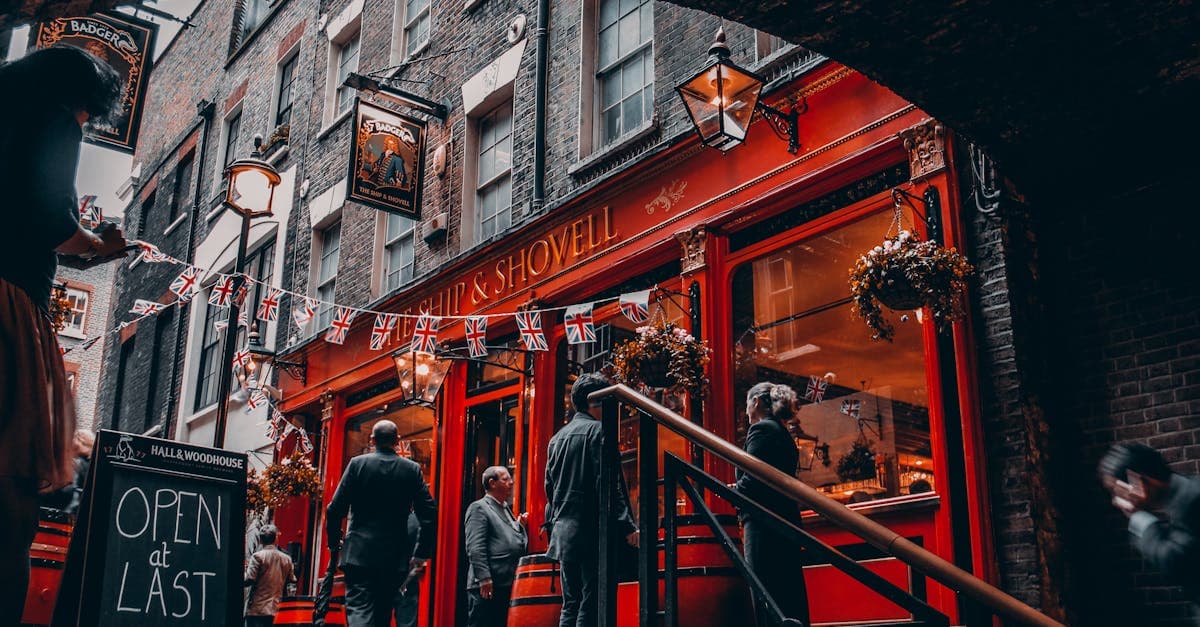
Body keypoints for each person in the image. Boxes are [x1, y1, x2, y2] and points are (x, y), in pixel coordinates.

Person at [0, 46, 127, 624]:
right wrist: (101, 245)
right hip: (8, 304)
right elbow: (51, 220)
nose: (86, 124)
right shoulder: (53, 116)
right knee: (10, 495)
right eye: (89, 116)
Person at [544, 373, 638, 627]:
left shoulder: (556, 439)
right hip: (592, 531)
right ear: (593, 401)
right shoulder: (598, 432)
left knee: (570, 603)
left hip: (564, 531)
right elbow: (608, 483)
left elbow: (549, 488)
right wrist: (627, 525)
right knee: (591, 602)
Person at [326, 420, 438, 627]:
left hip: (359, 554)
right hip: (396, 556)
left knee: (360, 610)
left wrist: (334, 543)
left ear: (372, 440)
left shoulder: (357, 464)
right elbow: (428, 513)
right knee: (383, 612)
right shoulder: (411, 469)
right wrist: (421, 551)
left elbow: (334, 509)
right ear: (397, 440)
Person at [735, 382, 810, 626]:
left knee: (766, 593)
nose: (746, 410)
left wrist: (732, 492)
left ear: (756, 402)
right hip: (783, 523)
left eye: (747, 403)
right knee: (787, 595)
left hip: (763, 525)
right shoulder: (781, 431)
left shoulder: (761, 429)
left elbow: (753, 477)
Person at [1100, 442, 1200, 622]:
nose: (1116, 501)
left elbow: (1177, 563)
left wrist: (1138, 516)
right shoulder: (1186, 494)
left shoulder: (1192, 502)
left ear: (1138, 481)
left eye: (1117, 491)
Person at [464, 466, 529, 627]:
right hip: (488, 584)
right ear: (492, 483)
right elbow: (475, 546)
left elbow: (505, 535)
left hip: (504, 583)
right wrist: (484, 578)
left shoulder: (504, 507)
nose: (511, 482)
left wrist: (519, 525)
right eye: (506, 479)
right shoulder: (479, 508)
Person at [244, 524, 295, 627]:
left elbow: (249, 579)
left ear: (260, 541)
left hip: (258, 609)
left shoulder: (257, 557)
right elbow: (292, 580)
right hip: (277, 608)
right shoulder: (287, 559)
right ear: (276, 539)